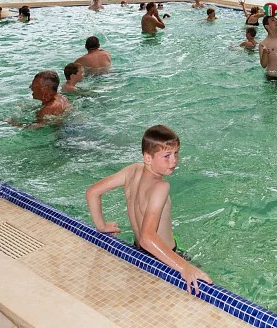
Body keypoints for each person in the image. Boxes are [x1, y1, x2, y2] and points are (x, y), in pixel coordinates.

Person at [86, 125, 212, 295]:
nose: (174, 161)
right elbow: (147, 238)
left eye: (176, 153)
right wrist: (184, 267)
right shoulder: (160, 186)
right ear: (148, 158)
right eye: (166, 156)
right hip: (163, 257)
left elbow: (92, 192)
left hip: (139, 251)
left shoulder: (131, 171)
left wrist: (101, 226)